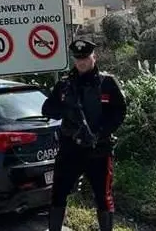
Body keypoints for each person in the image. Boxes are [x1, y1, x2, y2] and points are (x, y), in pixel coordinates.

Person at [42, 39, 128, 231]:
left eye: (86, 58)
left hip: (99, 150)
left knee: (103, 196)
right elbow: (47, 109)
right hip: (70, 150)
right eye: (78, 58)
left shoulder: (107, 83)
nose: (82, 62)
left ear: (94, 58)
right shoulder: (64, 85)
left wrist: (99, 133)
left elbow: (119, 112)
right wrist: (66, 110)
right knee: (58, 194)